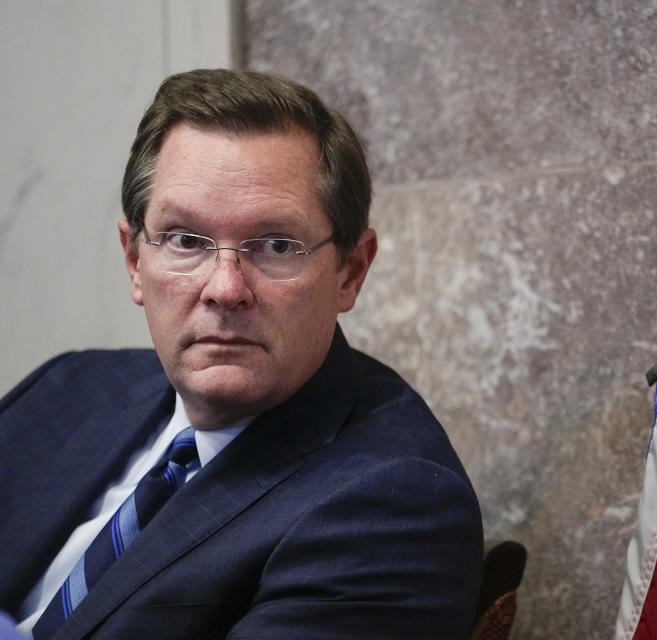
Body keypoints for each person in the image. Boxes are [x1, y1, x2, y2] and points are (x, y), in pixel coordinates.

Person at [0, 69, 483, 639]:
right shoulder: (68, 388)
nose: (225, 289)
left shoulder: (396, 505)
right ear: (135, 260)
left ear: (350, 271)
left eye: (277, 245)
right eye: (185, 240)